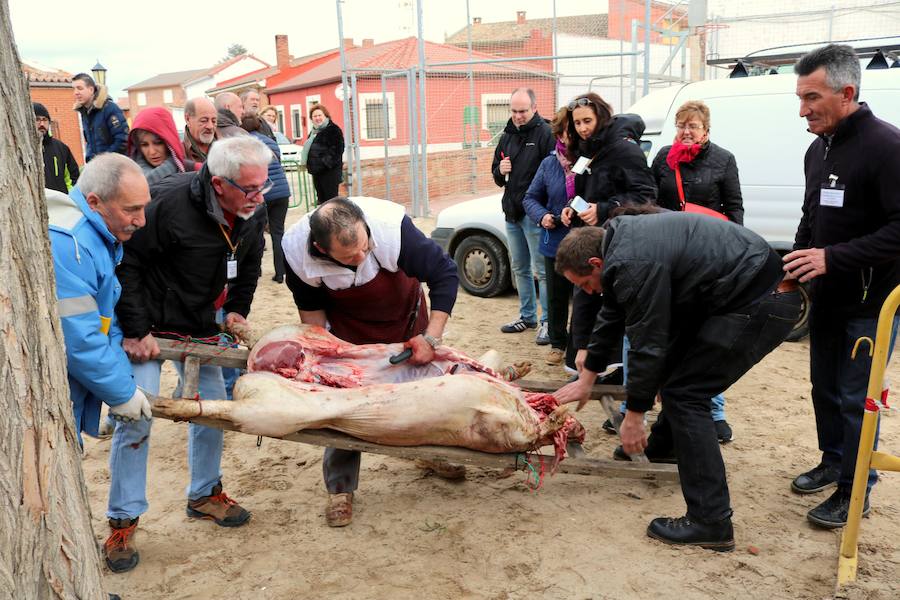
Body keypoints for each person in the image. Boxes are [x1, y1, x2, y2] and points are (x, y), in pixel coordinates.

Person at [554, 217, 802, 551]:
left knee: (687, 395)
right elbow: (613, 315)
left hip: (759, 302)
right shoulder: (620, 246)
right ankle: (665, 449)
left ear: (596, 263)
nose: (587, 292)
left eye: (585, 283)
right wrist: (587, 377)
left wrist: (634, 415)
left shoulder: (631, 261)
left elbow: (648, 341)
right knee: (678, 381)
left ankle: (710, 521)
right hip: (735, 297)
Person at [107, 136, 270, 573]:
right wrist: (138, 330)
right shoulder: (166, 203)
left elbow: (250, 265)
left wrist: (236, 310)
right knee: (134, 412)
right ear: (219, 184)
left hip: (202, 325)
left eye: (263, 186)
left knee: (211, 408)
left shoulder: (254, 209)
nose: (259, 196)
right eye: (250, 189)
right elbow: (127, 265)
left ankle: (203, 494)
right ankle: (122, 519)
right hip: (150, 324)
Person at [281, 196, 459, 527]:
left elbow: (445, 273)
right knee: (346, 403)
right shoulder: (296, 250)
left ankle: (429, 456)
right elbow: (309, 308)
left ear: (364, 225)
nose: (361, 257)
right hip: (349, 328)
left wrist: (431, 338)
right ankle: (340, 487)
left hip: (405, 320)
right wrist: (324, 352)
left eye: (365, 247)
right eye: (349, 256)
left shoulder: (392, 228)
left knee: (422, 393)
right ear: (322, 248)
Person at [784, 44, 900, 528]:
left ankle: (856, 489)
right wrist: (794, 267)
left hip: (871, 305)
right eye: (800, 97)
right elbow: (813, 216)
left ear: (847, 92)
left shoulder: (887, 147)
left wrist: (833, 258)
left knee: (856, 399)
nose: (803, 109)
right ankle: (833, 460)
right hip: (828, 300)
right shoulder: (818, 148)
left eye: (812, 97)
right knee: (824, 389)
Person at [648, 99, 744, 443]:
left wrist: (730, 252)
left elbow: (734, 209)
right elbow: (649, 200)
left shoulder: (723, 159)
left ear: (706, 130)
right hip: (669, 253)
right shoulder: (663, 157)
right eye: (681, 125)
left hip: (707, 257)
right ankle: (659, 406)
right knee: (667, 330)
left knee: (707, 335)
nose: (686, 132)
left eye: (693, 126)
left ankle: (714, 411)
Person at [47, 154, 151, 445]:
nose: (141, 220)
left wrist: (125, 386)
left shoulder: (99, 234)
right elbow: (79, 337)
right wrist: (121, 393)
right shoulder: (71, 245)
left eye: (144, 207)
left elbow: (106, 320)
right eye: (132, 209)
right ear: (94, 202)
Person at [560, 93, 655, 384]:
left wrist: (602, 209)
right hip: (590, 233)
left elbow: (645, 196)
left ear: (601, 116)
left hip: (619, 238)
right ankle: (589, 365)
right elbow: (589, 191)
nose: (582, 128)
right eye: (577, 123)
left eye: (587, 121)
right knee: (586, 296)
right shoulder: (587, 150)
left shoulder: (625, 151)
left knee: (613, 304)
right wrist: (573, 208)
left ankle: (616, 371)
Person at [491, 88, 555, 344]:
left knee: (542, 269)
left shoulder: (545, 134)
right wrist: (500, 169)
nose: (518, 116)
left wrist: (543, 211)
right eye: (514, 111)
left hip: (535, 214)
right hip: (512, 213)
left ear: (534, 108)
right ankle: (527, 316)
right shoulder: (506, 135)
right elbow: (496, 174)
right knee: (519, 267)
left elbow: (553, 174)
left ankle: (548, 321)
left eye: (523, 111)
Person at [522, 106, 574, 366]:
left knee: (586, 299)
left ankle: (578, 346)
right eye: (565, 131)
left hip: (585, 243)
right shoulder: (549, 163)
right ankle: (557, 342)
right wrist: (543, 216)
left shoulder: (592, 160)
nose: (568, 136)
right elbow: (530, 198)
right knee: (555, 296)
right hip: (554, 241)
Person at [241, 114, 291, 283]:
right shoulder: (270, 140)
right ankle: (280, 273)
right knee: (278, 232)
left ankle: (257, 270)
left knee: (256, 232)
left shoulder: (246, 143)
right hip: (282, 190)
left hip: (263, 191)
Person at [127, 107, 196, 186]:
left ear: (169, 143)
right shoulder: (127, 180)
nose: (152, 152)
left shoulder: (192, 170)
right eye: (144, 145)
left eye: (158, 143)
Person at [72, 72, 128, 161]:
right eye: (74, 89)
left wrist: (104, 161)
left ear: (91, 89)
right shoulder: (84, 113)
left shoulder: (110, 108)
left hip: (115, 166)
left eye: (80, 88)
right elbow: (90, 142)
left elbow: (122, 140)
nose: (76, 93)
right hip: (97, 168)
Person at [302, 103, 344, 205]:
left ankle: (333, 221)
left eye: (320, 115)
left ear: (325, 116)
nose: (317, 118)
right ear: (311, 119)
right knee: (322, 202)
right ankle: (323, 221)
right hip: (317, 173)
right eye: (314, 116)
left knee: (331, 202)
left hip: (330, 173)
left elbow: (338, 150)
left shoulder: (333, 129)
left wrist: (325, 163)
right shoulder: (313, 132)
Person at [34, 102, 80, 193]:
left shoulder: (61, 148)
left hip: (60, 203)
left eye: (45, 119)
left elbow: (73, 177)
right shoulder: (23, 150)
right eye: (37, 119)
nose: (42, 124)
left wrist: (69, 198)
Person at [183, 97, 218, 162]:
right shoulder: (179, 154)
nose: (210, 126)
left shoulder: (224, 148)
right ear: (188, 119)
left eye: (214, 121)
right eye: (204, 121)